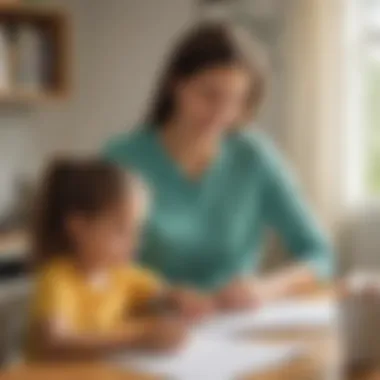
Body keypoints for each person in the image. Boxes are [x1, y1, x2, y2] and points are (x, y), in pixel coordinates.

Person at [103, 22, 333, 311]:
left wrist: (265, 289)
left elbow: (319, 254)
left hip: (236, 327)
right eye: (209, 95)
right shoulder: (122, 159)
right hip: (149, 331)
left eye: (236, 100)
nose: (221, 114)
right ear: (176, 84)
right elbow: (92, 272)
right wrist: (161, 297)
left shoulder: (254, 156)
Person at [25, 158, 208, 362]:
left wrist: (181, 299)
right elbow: (53, 342)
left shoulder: (123, 274)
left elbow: (163, 295)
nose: (135, 242)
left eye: (138, 230)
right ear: (78, 227)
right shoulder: (57, 278)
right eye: (121, 230)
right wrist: (138, 337)